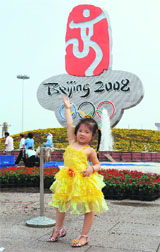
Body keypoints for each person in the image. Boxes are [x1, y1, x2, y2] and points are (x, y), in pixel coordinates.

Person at [48, 96, 108, 247]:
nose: (82, 133)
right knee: (60, 205)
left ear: (93, 135)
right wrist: (67, 109)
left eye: (86, 132)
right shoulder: (72, 141)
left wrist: (92, 168)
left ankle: (84, 236)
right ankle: (58, 229)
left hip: (83, 181)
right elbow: (69, 124)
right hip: (67, 179)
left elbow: (98, 164)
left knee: (88, 209)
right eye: (80, 130)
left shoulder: (89, 150)